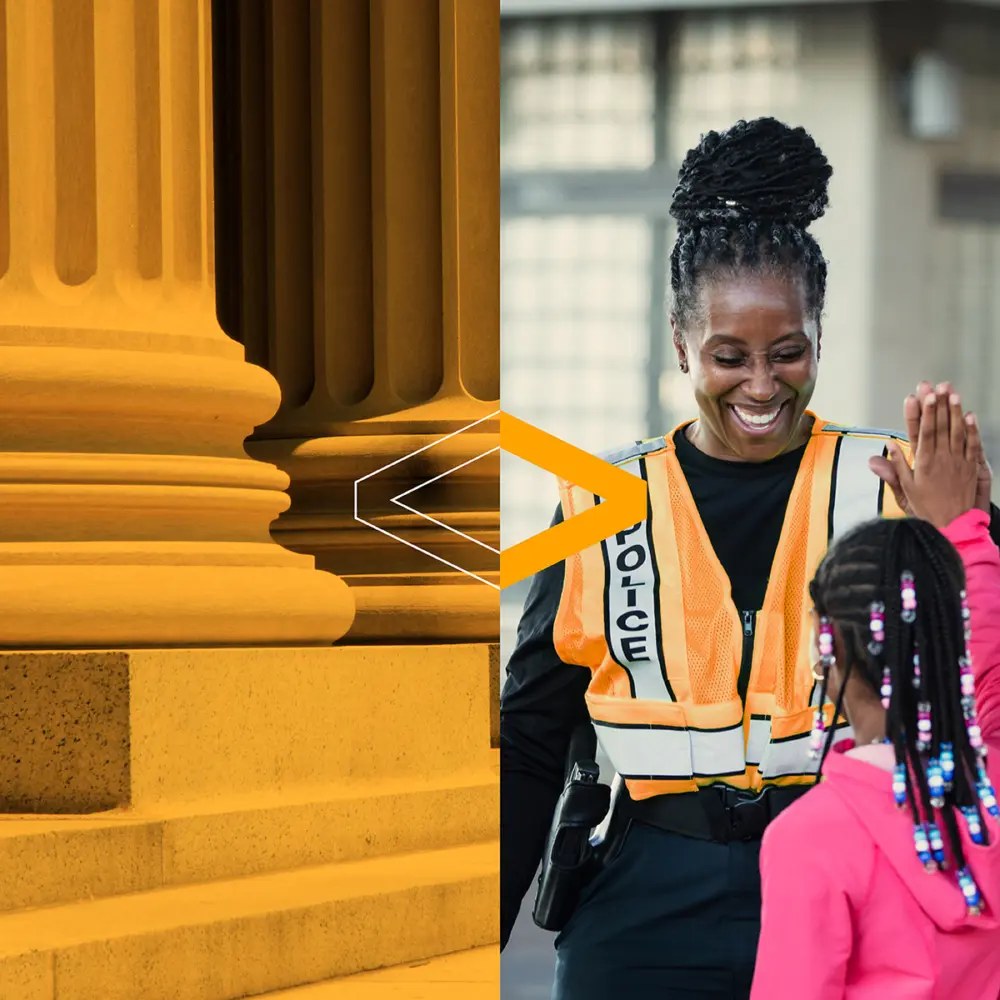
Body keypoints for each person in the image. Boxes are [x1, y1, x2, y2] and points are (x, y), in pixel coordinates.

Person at [499, 116, 1000, 1000]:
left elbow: (982, 693)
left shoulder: (900, 481)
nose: (763, 385)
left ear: (819, 334)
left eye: (790, 352)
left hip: (851, 867)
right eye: (729, 356)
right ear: (682, 340)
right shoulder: (595, 500)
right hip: (644, 892)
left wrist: (965, 531)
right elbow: (534, 738)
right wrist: (465, 942)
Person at [751, 393, 1000, 1000]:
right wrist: (964, 533)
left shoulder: (811, 839)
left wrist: (958, 536)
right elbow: (985, 669)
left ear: (825, 648)